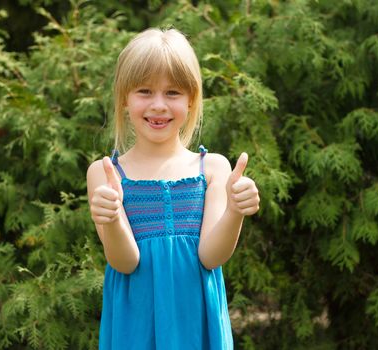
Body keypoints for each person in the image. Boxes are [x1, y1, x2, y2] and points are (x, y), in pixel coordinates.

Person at [86, 27, 260, 349]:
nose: (159, 105)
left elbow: (210, 257)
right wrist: (109, 218)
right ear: (125, 97)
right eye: (144, 91)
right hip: (135, 330)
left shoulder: (213, 169)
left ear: (192, 99)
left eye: (173, 93)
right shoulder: (106, 174)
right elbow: (126, 262)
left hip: (197, 326)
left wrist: (235, 212)